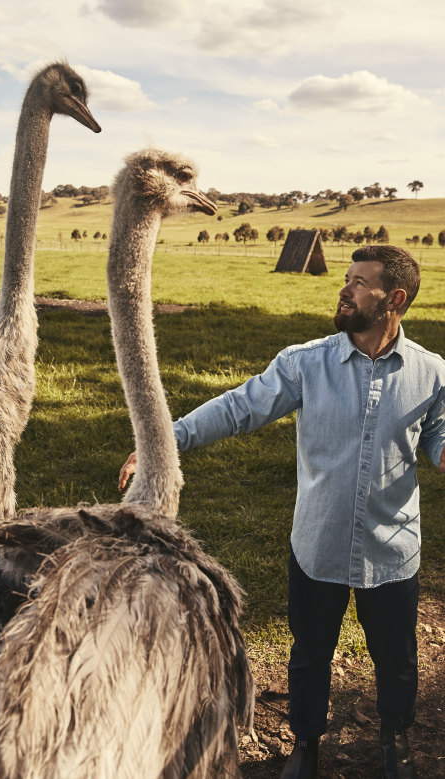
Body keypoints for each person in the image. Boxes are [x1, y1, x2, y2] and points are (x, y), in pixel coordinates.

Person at [118, 245, 445, 779]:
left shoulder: (431, 374)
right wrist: (163, 440)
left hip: (393, 549)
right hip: (318, 544)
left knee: (396, 660)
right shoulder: (305, 363)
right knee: (311, 653)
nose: (345, 290)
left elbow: (436, 432)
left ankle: (395, 740)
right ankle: (306, 745)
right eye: (346, 278)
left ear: (396, 299)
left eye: (360, 283)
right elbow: (237, 408)